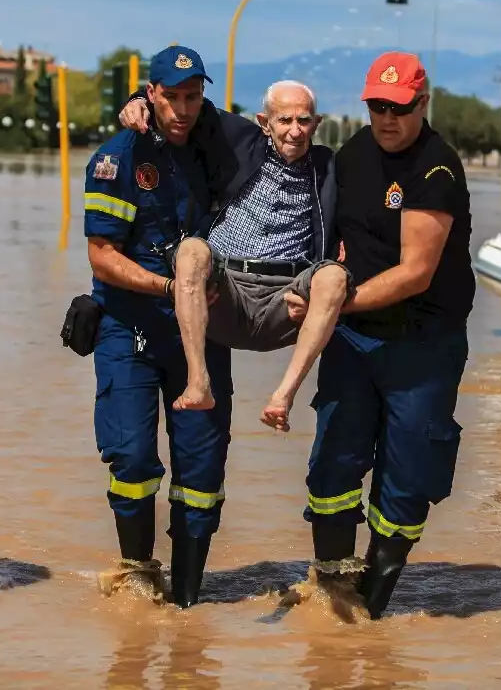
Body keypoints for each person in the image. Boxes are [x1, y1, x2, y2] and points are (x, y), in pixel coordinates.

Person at [300, 51, 474, 620]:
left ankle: (372, 609)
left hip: (422, 345)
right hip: (354, 341)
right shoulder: (351, 155)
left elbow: (415, 272)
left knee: (405, 482)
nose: (386, 119)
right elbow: (265, 151)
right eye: (377, 106)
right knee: (333, 464)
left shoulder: (437, 169)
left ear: (423, 104)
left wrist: (332, 304)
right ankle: (330, 601)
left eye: (399, 108)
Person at [79, 45, 233, 608]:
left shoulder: (213, 145)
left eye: (194, 97)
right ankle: (138, 573)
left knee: (202, 466)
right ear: (151, 94)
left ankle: (188, 601)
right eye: (171, 97)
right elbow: (101, 256)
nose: (183, 109)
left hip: (203, 335)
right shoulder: (118, 158)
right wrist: (172, 288)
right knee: (134, 459)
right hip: (130, 331)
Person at [117, 79, 350, 432]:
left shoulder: (331, 168)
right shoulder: (241, 141)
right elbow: (185, 103)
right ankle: (199, 382)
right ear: (264, 122)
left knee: (333, 276)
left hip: (285, 301)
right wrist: (137, 98)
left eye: (304, 121)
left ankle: (282, 398)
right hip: (226, 293)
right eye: (284, 120)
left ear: (316, 125)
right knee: (192, 250)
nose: (294, 131)